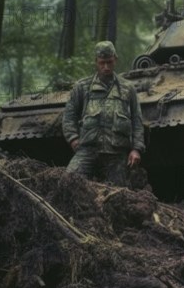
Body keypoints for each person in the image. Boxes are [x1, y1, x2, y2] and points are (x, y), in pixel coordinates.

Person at [62, 41, 145, 186]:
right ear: (96, 61)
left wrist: (136, 149)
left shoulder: (127, 88)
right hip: (88, 150)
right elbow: (69, 116)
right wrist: (73, 138)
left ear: (115, 60)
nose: (106, 67)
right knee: (68, 182)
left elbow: (137, 121)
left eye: (109, 62)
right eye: (102, 63)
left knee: (119, 194)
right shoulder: (82, 87)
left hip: (116, 153)